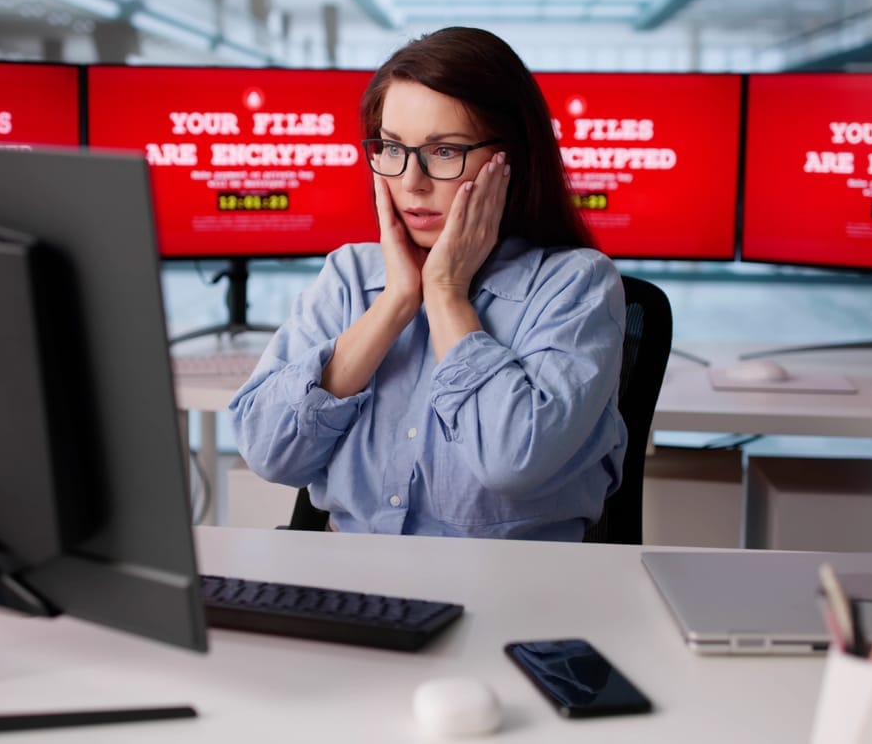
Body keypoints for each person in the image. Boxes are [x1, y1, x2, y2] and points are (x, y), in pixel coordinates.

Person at [229, 27, 627, 541]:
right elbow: (268, 453)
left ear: (512, 160)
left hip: (511, 590)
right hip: (353, 582)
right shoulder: (350, 277)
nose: (411, 182)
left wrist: (444, 293)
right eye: (391, 148)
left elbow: (511, 461)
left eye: (444, 152)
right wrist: (395, 302)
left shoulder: (577, 285)